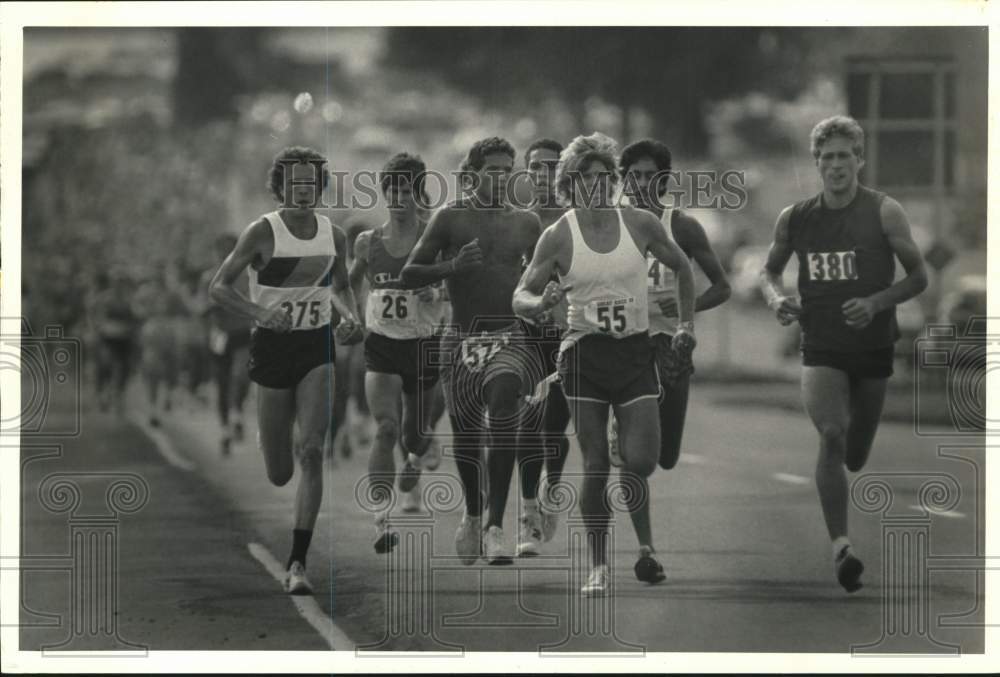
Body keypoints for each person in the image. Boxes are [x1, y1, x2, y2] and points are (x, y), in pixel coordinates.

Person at [513, 132, 696, 596]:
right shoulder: (559, 235)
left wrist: (686, 324)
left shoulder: (639, 223)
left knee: (642, 460)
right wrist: (540, 303)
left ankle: (642, 540)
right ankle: (601, 566)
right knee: (595, 464)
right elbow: (521, 295)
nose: (596, 185)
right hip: (584, 354)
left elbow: (683, 269)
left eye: (603, 177)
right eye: (586, 178)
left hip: (634, 353)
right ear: (569, 184)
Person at [759, 115, 927, 593]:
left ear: (859, 160)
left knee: (855, 455)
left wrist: (875, 303)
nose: (836, 165)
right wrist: (777, 301)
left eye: (844, 156)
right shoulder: (795, 218)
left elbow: (919, 277)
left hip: (873, 348)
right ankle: (842, 548)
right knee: (832, 434)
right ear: (816, 163)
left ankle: (844, 512)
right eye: (827, 157)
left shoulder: (884, 212)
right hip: (823, 346)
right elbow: (769, 273)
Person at [210, 146, 364, 595]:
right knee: (279, 471)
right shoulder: (262, 232)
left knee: (313, 450)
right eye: (293, 184)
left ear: (319, 188)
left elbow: (339, 289)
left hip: (315, 345)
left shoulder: (333, 236)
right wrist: (259, 313)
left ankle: (298, 562)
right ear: (280, 188)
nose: (301, 191)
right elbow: (218, 287)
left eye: (309, 184)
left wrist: (350, 318)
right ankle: (270, 432)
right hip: (272, 347)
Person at [401, 137, 544, 565]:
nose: (500, 176)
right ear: (474, 172)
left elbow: (540, 277)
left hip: (510, 336)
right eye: (492, 169)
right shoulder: (450, 218)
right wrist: (450, 267)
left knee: (504, 418)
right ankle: (473, 511)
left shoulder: (528, 223)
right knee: (466, 436)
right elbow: (409, 273)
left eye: (507, 169)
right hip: (460, 338)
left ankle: (497, 525)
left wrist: (547, 300)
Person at [605, 139, 732, 579]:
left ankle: (646, 450)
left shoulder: (682, 226)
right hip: (625, 348)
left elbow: (722, 286)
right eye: (633, 175)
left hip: (670, 349)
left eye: (649, 175)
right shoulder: (609, 225)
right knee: (630, 456)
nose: (641, 184)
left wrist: (682, 314)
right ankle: (646, 549)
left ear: (663, 179)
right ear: (622, 179)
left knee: (665, 456)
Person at [349, 152, 446, 553]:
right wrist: (352, 318)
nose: (400, 198)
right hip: (382, 347)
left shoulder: (434, 240)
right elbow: (348, 284)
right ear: (384, 193)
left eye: (407, 190)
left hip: (423, 347)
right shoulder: (367, 243)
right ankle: (381, 518)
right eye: (393, 190)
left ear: (417, 193)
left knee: (413, 435)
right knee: (386, 428)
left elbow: (456, 286)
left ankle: (420, 450)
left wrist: (436, 291)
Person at [514, 138, 573, 557]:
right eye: (535, 166)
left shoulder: (577, 222)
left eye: (551, 166)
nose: (543, 174)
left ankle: (552, 485)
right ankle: (530, 514)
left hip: (570, 334)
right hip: (525, 333)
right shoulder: (518, 222)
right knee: (527, 423)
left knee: (555, 424)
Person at [200, 234, 253, 455]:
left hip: (244, 332)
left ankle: (237, 412)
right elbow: (202, 307)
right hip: (220, 334)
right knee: (222, 381)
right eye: (220, 249)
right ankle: (224, 428)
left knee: (241, 375)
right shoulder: (209, 277)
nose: (225, 253)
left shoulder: (249, 275)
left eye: (229, 249)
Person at [91, 268, 140, 416]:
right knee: (104, 364)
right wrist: (100, 327)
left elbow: (134, 318)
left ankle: (119, 394)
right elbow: (96, 317)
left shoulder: (128, 300)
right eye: (116, 281)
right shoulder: (104, 299)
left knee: (125, 367)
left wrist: (132, 328)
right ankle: (102, 393)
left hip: (124, 337)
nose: (119, 285)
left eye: (121, 282)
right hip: (108, 337)